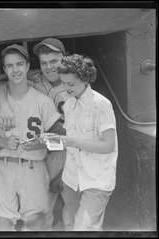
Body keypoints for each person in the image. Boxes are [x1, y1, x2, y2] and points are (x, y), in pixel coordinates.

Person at [0, 38, 70, 230]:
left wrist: (40, 143)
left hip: (41, 162)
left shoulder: (52, 96)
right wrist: (3, 140)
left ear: (28, 66)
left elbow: (62, 140)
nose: (15, 70)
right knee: (1, 221)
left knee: (40, 218)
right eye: (9, 66)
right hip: (4, 165)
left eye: (19, 64)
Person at [57, 54, 118, 231]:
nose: (66, 88)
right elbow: (71, 144)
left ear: (85, 80)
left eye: (71, 84)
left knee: (84, 229)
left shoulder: (101, 104)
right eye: (63, 83)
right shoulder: (68, 106)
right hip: (71, 179)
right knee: (72, 227)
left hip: (97, 179)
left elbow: (109, 145)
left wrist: (74, 142)